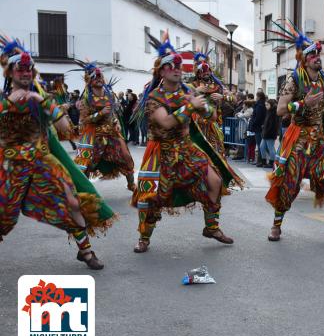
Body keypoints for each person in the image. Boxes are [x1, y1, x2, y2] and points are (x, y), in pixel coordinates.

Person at [0, 35, 115, 269]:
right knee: (4, 218)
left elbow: (65, 129)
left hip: (43, 162)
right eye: (20, 69)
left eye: (29, 69)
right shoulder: (3, 103)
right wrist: (13, 104)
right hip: (11, 167)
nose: (25, 72)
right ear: (10, 72)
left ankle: (86, 251)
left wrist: (44, 104)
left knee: (72, 202)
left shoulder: (41, 99)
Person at [130, 31, 243, 253]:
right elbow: (166, 122)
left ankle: (211, 227)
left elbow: (209, 115)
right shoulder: (154, 98)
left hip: (187, 149)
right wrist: (191, 106)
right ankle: (144, 237)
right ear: (162, 70)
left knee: (215, 181)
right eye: (172, 65)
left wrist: (206, 106)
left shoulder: (188, 91)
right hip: (160, 153)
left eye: (180, 65)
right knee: (151, 197)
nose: (178, 69)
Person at [264, 21, 324, 242]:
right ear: (305, 60)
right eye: (313, 55)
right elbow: (280, 110)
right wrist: (302, 104)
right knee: (290, 185)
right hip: (298, 140)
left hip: (318, 142)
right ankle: (276, 226)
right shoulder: (294, 80)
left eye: (319, 53)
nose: (318, 57)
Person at [71, 60, 136, 191]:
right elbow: (84, 120)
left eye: (100, 76)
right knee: (87, 163)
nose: (98, 79)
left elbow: (113, 114)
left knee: (126, 157)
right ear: (89, 80)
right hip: (94, 135)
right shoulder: (85, 99)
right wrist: (100, 113)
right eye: (95, 77)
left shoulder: (110, 95)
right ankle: (81, 189)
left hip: (111, 133)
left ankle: (131, 184)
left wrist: (116, 122)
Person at [188, 49, 234, 157]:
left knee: (215, 156)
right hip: (196, 126)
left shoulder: (218, 86)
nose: (205, 72)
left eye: (207, 68)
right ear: (197, 71)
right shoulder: (192, 85)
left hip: (212, 126)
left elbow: (234, 98)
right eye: (201, 69)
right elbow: (184, 98)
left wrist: (223, 97)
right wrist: (197, 91)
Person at [259, 98, 280, 168]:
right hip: (266, 133)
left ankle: (272, 162)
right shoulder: (269, 111)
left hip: (270, 133)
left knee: (271, 148)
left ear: (271, 105)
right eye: (265, 105)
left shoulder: (274, 112)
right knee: (262, 147)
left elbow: (273, 125)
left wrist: (266, 130)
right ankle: (263, 161)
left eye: (267, 105)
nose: (266, 106)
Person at [249, 91, 267, 166]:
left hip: (258, 127)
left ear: (258, 97)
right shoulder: (262, 104)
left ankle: (260, 161)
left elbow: (258, 117)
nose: (256, 98)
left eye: (256, 96)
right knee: (261, 144)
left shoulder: (259, 105)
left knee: (259, 144)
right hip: (259, 126)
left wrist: (253, 124)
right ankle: (262, 160)